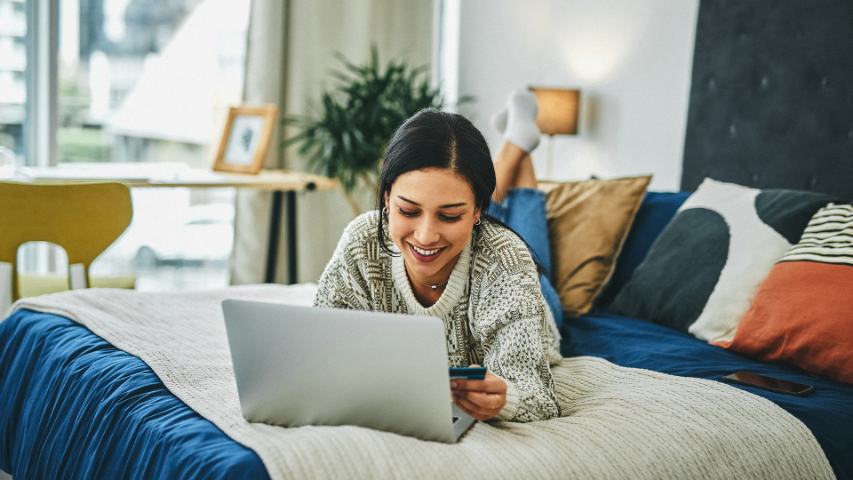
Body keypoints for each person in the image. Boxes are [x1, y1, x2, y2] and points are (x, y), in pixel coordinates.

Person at [314, 91, 562, 422]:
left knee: (524, 245)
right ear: (387, 197)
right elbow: (319, 348)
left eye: (449, 215)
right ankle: (518, 142)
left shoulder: (507, 261)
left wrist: (506, 400)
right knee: (487, 234)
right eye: (407, 210)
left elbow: (539, 397)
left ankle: (517, 143)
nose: (425, 235)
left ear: (476, 211)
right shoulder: (362, 240)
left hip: (533, 295)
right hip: (476, 243)